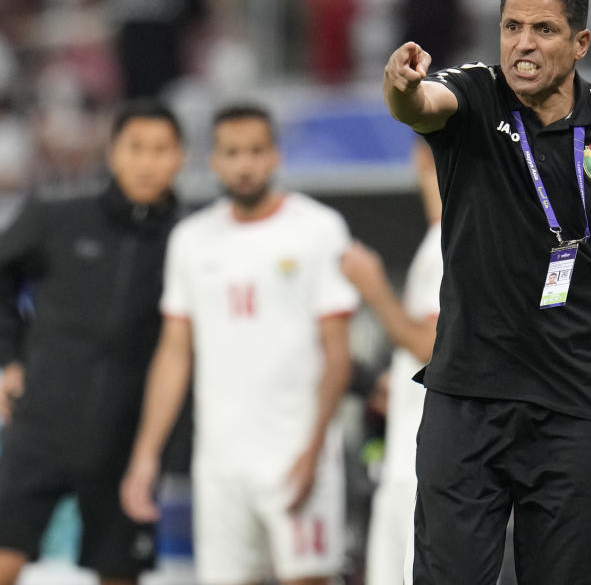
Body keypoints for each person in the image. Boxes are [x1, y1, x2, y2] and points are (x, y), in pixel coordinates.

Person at [382, 0, 591, 584]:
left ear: (580, 43)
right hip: (467, 404)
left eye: (543, 29)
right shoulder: (471, 95)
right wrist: (399, 84)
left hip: (575, 414)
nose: (523, 43)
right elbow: (419, 104)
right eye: (512, 27)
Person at [120, 103, 357, 585]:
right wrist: (146, 456)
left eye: (255, 151)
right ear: (213, 161)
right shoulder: (191, 240)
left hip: (296, 455)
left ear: (275, 156)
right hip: (220, 465)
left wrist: (314, 450)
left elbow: (337, 354)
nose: (244, 164)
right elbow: (174, 353)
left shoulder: (317, 230)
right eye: (231, 152)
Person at [0, 100, 184, 585]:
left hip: (128, 437)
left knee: (119, 572)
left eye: (161, 149)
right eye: (136, 148)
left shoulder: (191, 239)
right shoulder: (58, 216)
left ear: (181, 157)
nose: (147, 162)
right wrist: (6, 361)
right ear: (113, 153)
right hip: (40, 423)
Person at [341, 139, 442, 585]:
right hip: (409, 458)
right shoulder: (439, 237)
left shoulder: (455, 238)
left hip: (427, 468)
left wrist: (374, 287)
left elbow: (434, 347)